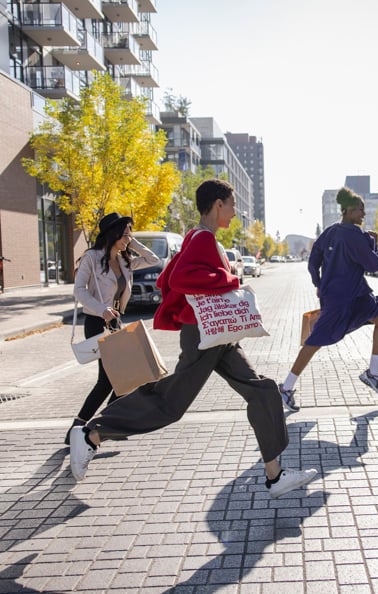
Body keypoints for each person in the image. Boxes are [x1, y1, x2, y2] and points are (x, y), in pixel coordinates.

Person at [69, 179, 318, 498]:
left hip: (216, 333)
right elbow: (179, 277)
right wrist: (232, 280)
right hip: (204, 333)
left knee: (263, 391)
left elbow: (166, 274)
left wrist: (225, 282)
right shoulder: (202, 239)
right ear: (217, 205)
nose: (234, 213)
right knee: (169, 403)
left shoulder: (200, 237)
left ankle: (275, 476)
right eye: (231, 206)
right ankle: (91, 433)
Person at [279, 187, 378, 412]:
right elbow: (374, 265)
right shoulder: (356, 236)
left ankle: (372, 373)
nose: (364, 215)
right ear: (350, 210)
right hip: (345, 300)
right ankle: (286, 387)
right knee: (315, 342)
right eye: (361, 210)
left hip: (350, 296)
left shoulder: (330, 232)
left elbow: (313, 261)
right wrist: (374, 244)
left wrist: (319, 284)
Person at [65, 213, 160, 445]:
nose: (128, 238)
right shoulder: (92, 258)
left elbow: (153, 259)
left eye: (129, 233)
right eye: (125, 233)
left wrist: (132, 240)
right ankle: (82, 427)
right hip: (98, 321)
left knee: (130, 375)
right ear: (112, 234)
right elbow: (79, 290)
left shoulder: (125, 260)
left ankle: (105, 425)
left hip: (116, 322)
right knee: (108, 380)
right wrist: (102, 310)